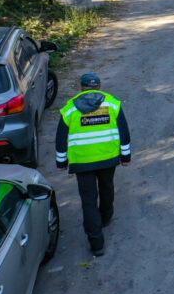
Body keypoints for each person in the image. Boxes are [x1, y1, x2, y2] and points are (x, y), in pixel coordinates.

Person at [55, 72, 131, 257]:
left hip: (82, 161)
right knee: (107, 188)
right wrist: (125, 157)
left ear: (81, 87)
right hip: (108, 157)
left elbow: (60, 137)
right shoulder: (112, 104)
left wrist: (61, 161)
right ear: (99, 86)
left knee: (88, 201)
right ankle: (105, 217)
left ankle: (96, 244)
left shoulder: (70, 109)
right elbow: (124, 131)